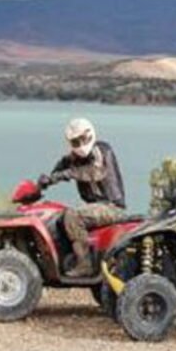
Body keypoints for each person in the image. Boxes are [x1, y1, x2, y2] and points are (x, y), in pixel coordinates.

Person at [38, 118, 126, 278]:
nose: (80, 144)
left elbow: (94, 172)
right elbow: (60, 167)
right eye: (75, 141)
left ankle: (85, 264)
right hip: (95, 207)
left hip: (111, 207)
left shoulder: (101, 150)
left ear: (90, 134)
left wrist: (66, 174)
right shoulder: (73, 158)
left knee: (73, 215)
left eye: (82, 139)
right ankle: (65, 259)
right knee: (57, 217)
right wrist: (45, 181)